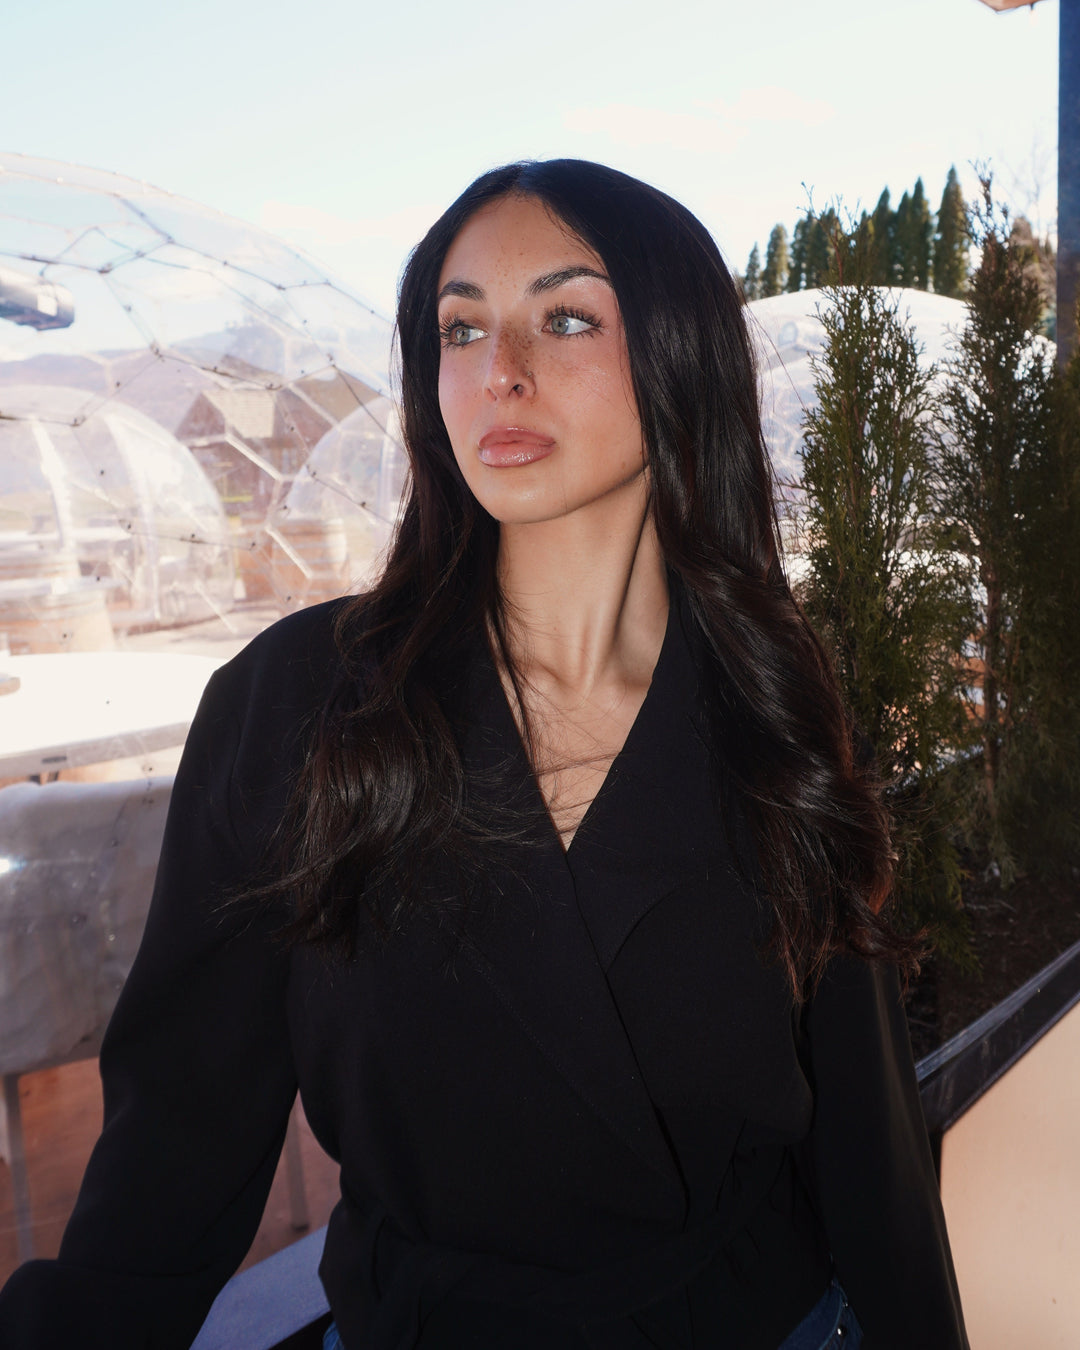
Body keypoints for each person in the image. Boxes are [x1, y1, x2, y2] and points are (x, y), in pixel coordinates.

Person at [0, 159, 969, 1349]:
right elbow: (176, 1146)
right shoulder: (298, 706)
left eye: (565, 318)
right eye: (461, 328)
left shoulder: (772, 702)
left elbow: (862, 1133)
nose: (498, 371)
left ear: (682, 358)